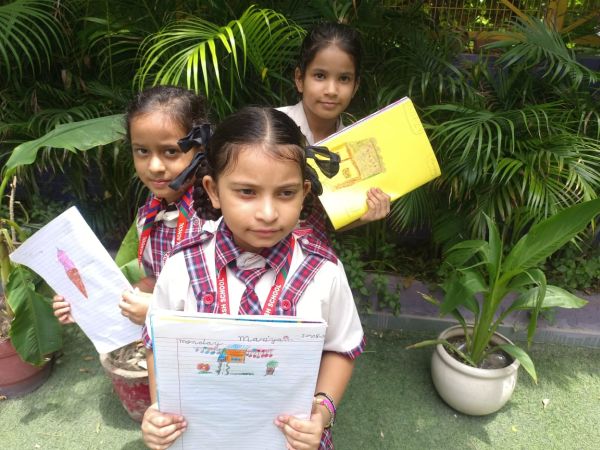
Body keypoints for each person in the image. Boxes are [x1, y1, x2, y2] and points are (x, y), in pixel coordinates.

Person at [140, 107, 364, 450]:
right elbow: (158, 343)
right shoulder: (181, 266)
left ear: (305, 192)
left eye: (286, 193)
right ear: (214, 191)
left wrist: (322, 413)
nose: (268, 213)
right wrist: (160, 408)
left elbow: (340, 347)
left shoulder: (324, 272)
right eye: (247, 192)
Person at [52, 85, 211, 326]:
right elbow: (156, 280)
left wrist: (157, 310)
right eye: (142, 151)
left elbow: (230, 302)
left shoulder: (215, 217)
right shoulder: (150, 215)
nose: (154, 166)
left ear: (200, 150)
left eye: (171, 151)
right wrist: (89, 306)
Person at [277, 21, 391, 240]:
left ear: (355, 86)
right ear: (300, 79)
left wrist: (364, 215)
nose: (331, 90)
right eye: (320, 76)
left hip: (311, 252)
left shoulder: (356, 149)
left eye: (344, 79)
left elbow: (331, 221)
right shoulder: (269, 128)